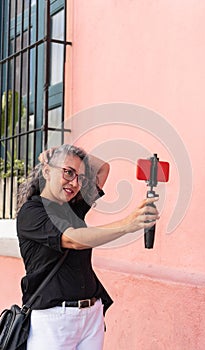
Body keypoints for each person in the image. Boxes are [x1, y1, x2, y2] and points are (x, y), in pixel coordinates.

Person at [16, 144, 159, 350]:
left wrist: (64, 151)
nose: (74, 183)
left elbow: (103, 169)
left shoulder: (75, 206)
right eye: (68, 172)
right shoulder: (32, 212)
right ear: (47, 171)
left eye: (80, 178)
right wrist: (127, 225)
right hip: (54, 319)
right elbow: (73, 239)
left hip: (91, 314)